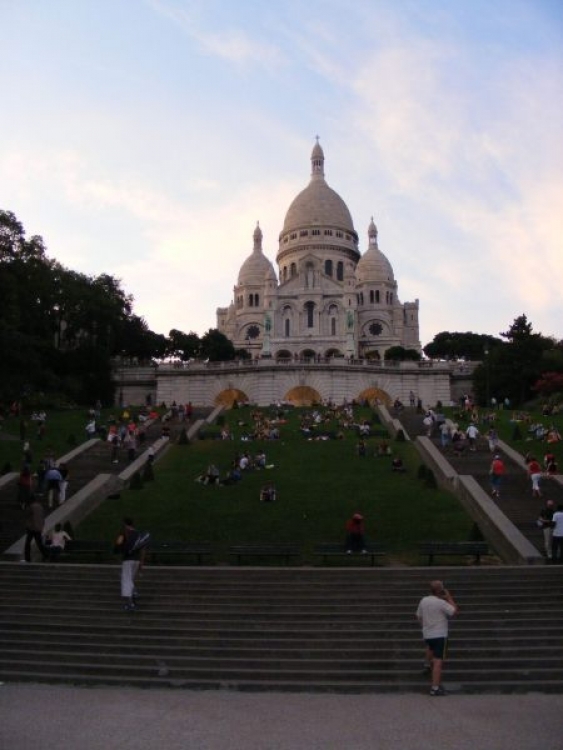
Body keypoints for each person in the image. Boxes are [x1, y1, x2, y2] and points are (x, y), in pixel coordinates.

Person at [416, 580, 459, 696]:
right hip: (440, 634)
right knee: (438, 661)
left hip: (428, 634)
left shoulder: (424, 600)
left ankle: (426, 664)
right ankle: (435, 688)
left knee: (430, 647)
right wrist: (449, 598)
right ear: (441, 590)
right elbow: (454, 612)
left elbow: (418, 616)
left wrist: (425, 626)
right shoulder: (441, 603)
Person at [114, 518, 149, 611]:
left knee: (126, 580)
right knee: (130, 579)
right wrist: (141, 562)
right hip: (136, 560)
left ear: (125, 524)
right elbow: (143, 549)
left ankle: (130, 603)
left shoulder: (124, 533)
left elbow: (118, 543)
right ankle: (133, 592)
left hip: (128, 560)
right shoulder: (138, 534)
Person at [23, 496, 49, 562]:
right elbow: (42, 516)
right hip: (39, 527)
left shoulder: (30, 507)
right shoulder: (40, 506)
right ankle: (46, 554)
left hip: (31, 527)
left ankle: (27, 558)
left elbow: (26, 515)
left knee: (28, 543)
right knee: (39, 543)